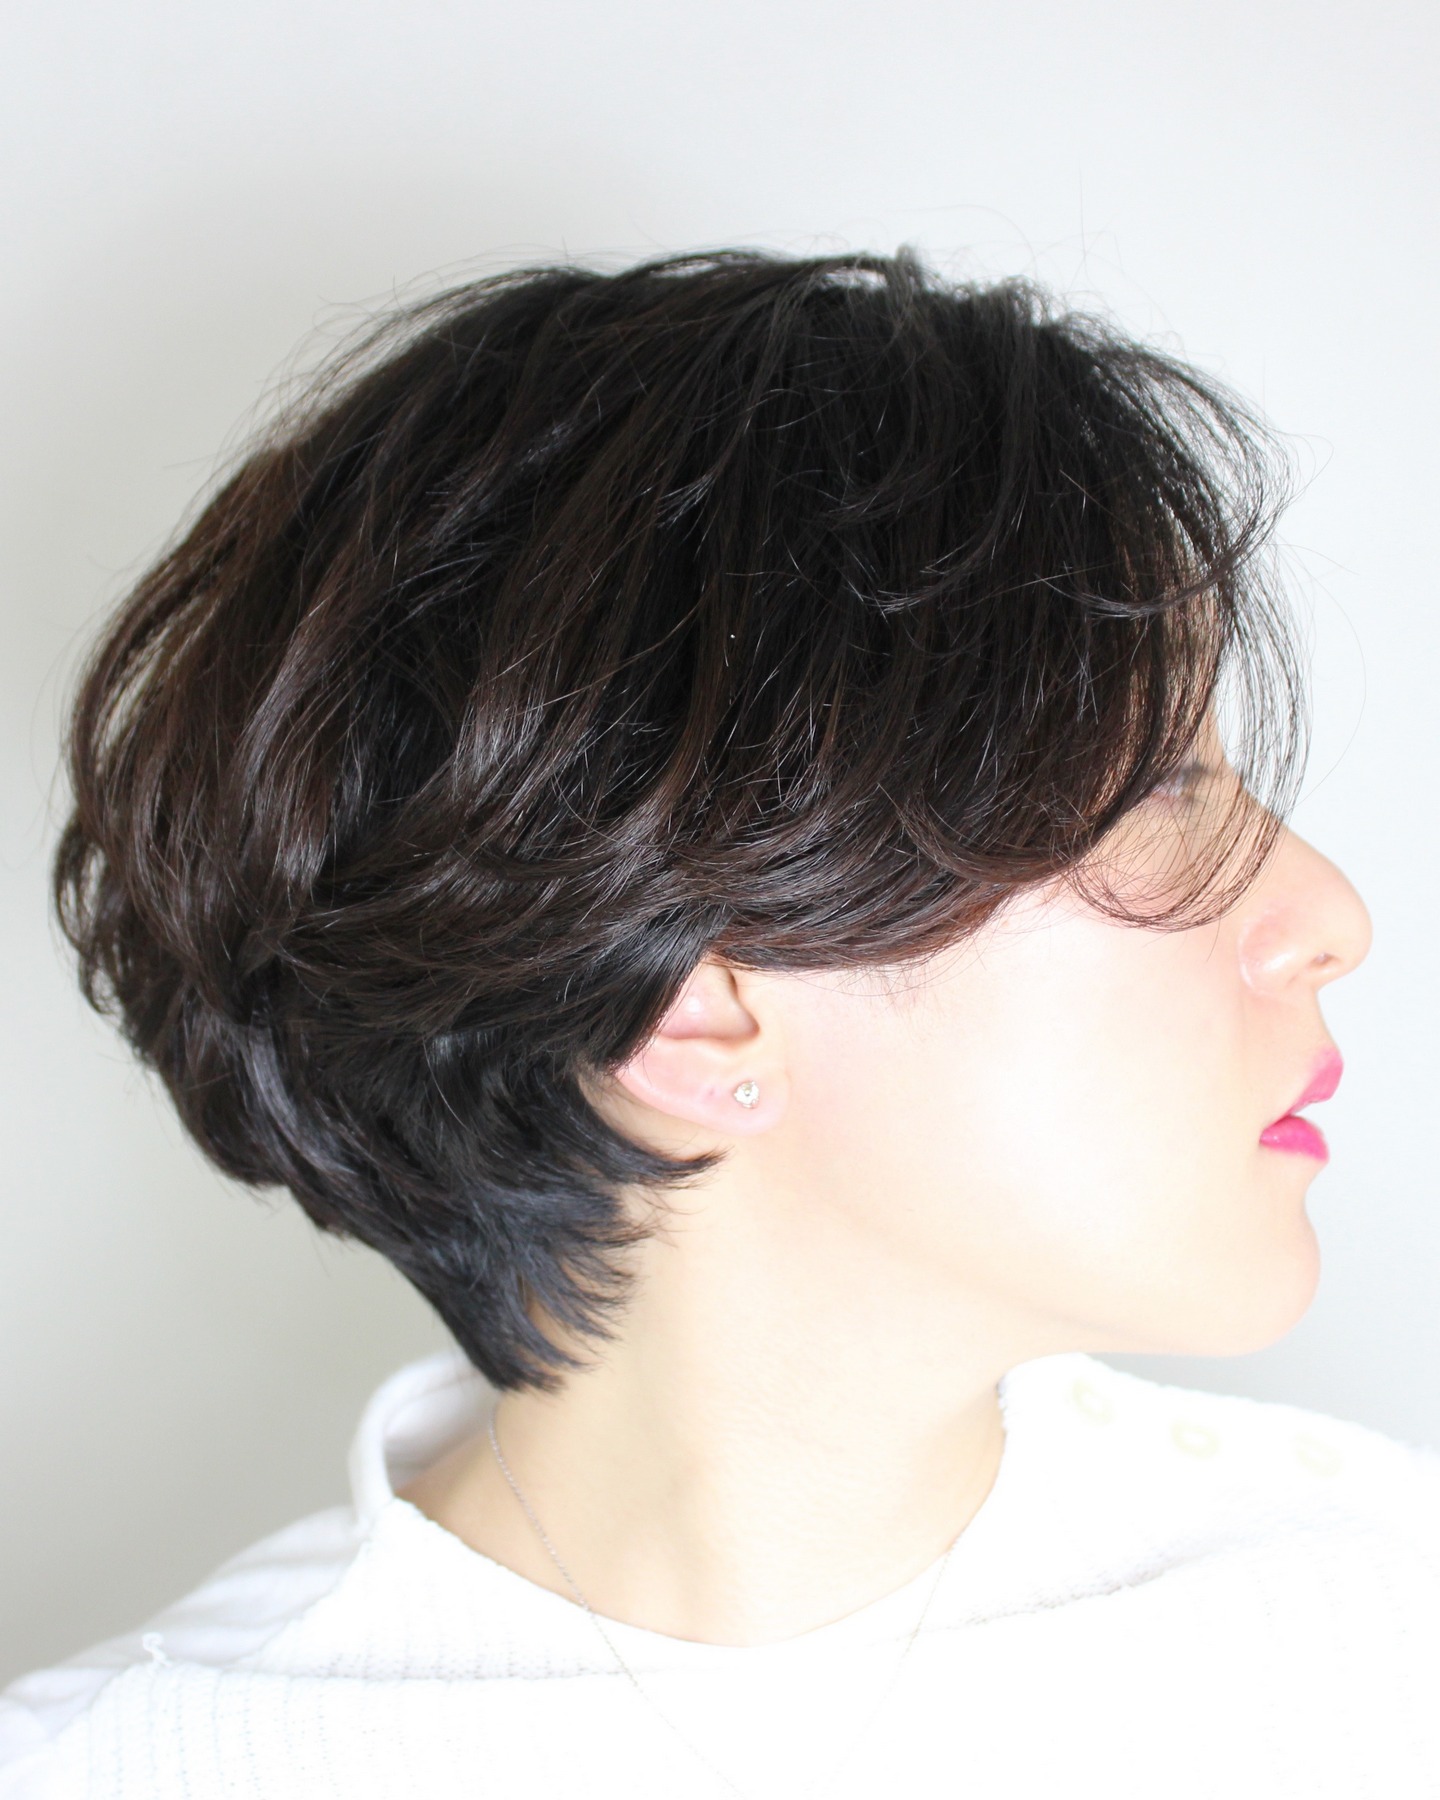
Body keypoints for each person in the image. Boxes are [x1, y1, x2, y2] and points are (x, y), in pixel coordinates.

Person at [1, 246, 1434, 1800]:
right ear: (695, 1013)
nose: (1332, 915)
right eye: (1161, 790)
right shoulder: (120, 1768)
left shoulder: (1379, 1641)